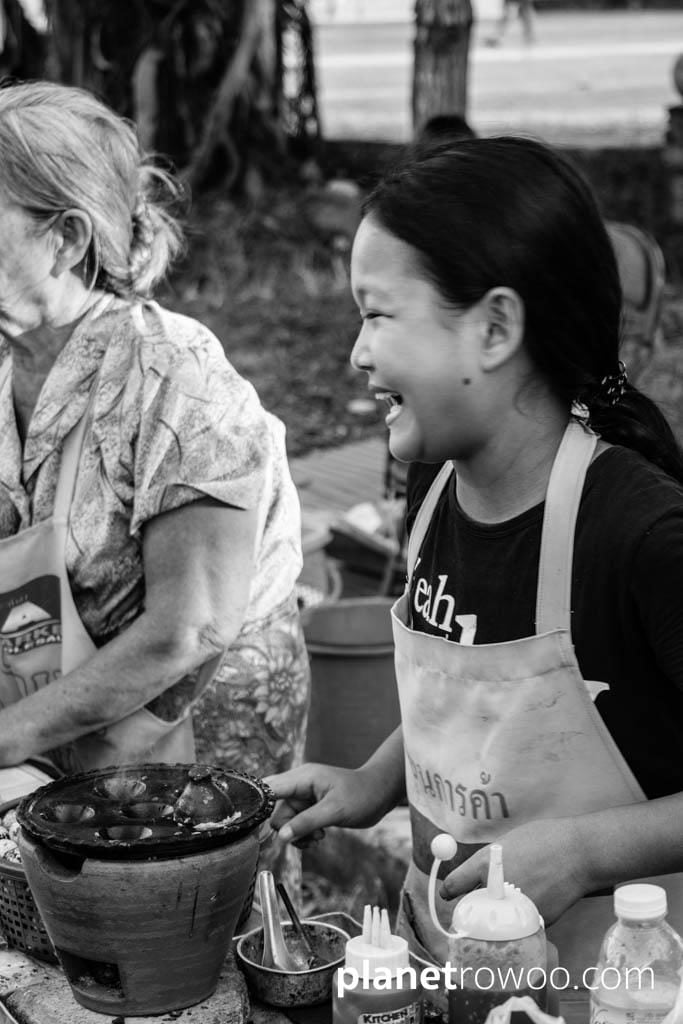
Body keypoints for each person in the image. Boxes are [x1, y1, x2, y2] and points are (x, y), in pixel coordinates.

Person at [266, 136, 683, 987]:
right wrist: (375, 780)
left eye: (377, 314)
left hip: (612, 982)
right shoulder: (432, 487)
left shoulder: (640, 533)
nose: (355, 351)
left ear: (494, 327)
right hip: (443, 944)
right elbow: (476, 712)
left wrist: (585, 850)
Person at [0, 81, 309, 804]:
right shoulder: (10, 362)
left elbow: (190, 628)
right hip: (55, 712)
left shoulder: (178, 378)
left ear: (67, 239)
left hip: (195, 727)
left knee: (196, 910)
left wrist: (10, 735)